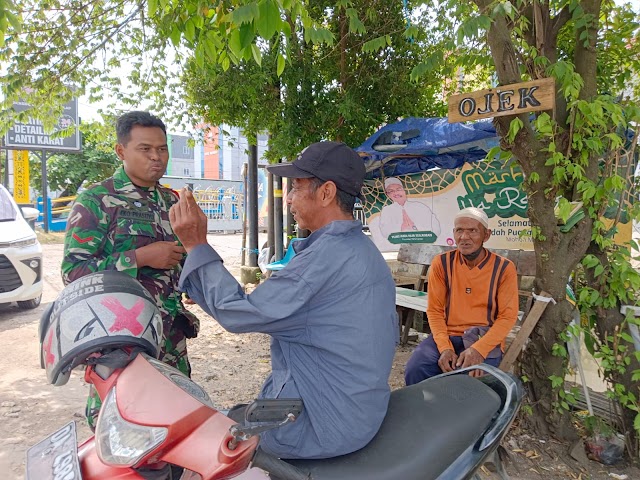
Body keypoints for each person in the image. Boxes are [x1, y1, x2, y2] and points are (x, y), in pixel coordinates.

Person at [169, 141, 398, 460]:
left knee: (202, 445)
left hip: (322, 424)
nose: (288, 198)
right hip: (356, 410)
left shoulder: (324, 259)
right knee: (231, 415)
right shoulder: (359, 248)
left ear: (326, 193)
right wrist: (204, 286)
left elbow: (239, 313)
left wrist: (195, 244)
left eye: (296, 187)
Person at [61, 111, 200, 428]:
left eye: (162, 149)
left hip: (170, 337)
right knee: (122, 426)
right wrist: (139, 257)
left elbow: (184, 255)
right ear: (121, 151)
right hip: (120, 339)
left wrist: (191, 280)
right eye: (145, 149)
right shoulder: (96, 201)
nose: (156, 157)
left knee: (176, 422)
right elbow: (74, 273)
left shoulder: (172, 201)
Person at [404, 207, 518, 385]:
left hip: (483, 338)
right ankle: (422, 412)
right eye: (459, 230)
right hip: (447, 336)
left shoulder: (503, 268)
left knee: (472, 384)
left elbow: (507, 317)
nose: (464, 237)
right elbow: (434, 310)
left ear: (486, 235)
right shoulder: (442, 263)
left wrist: (479, 350)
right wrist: (444, 348)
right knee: (416, 368)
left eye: (472, 231)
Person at [378, 176, 441, 241]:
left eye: (398, 189)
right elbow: (384, 231)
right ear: (388, 194)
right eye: (391, 191)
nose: (395, 193)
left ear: (404, 190)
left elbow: (435, 228)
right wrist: (401, 229)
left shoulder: (419, 206)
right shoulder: (387, 211)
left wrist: (416, 229)